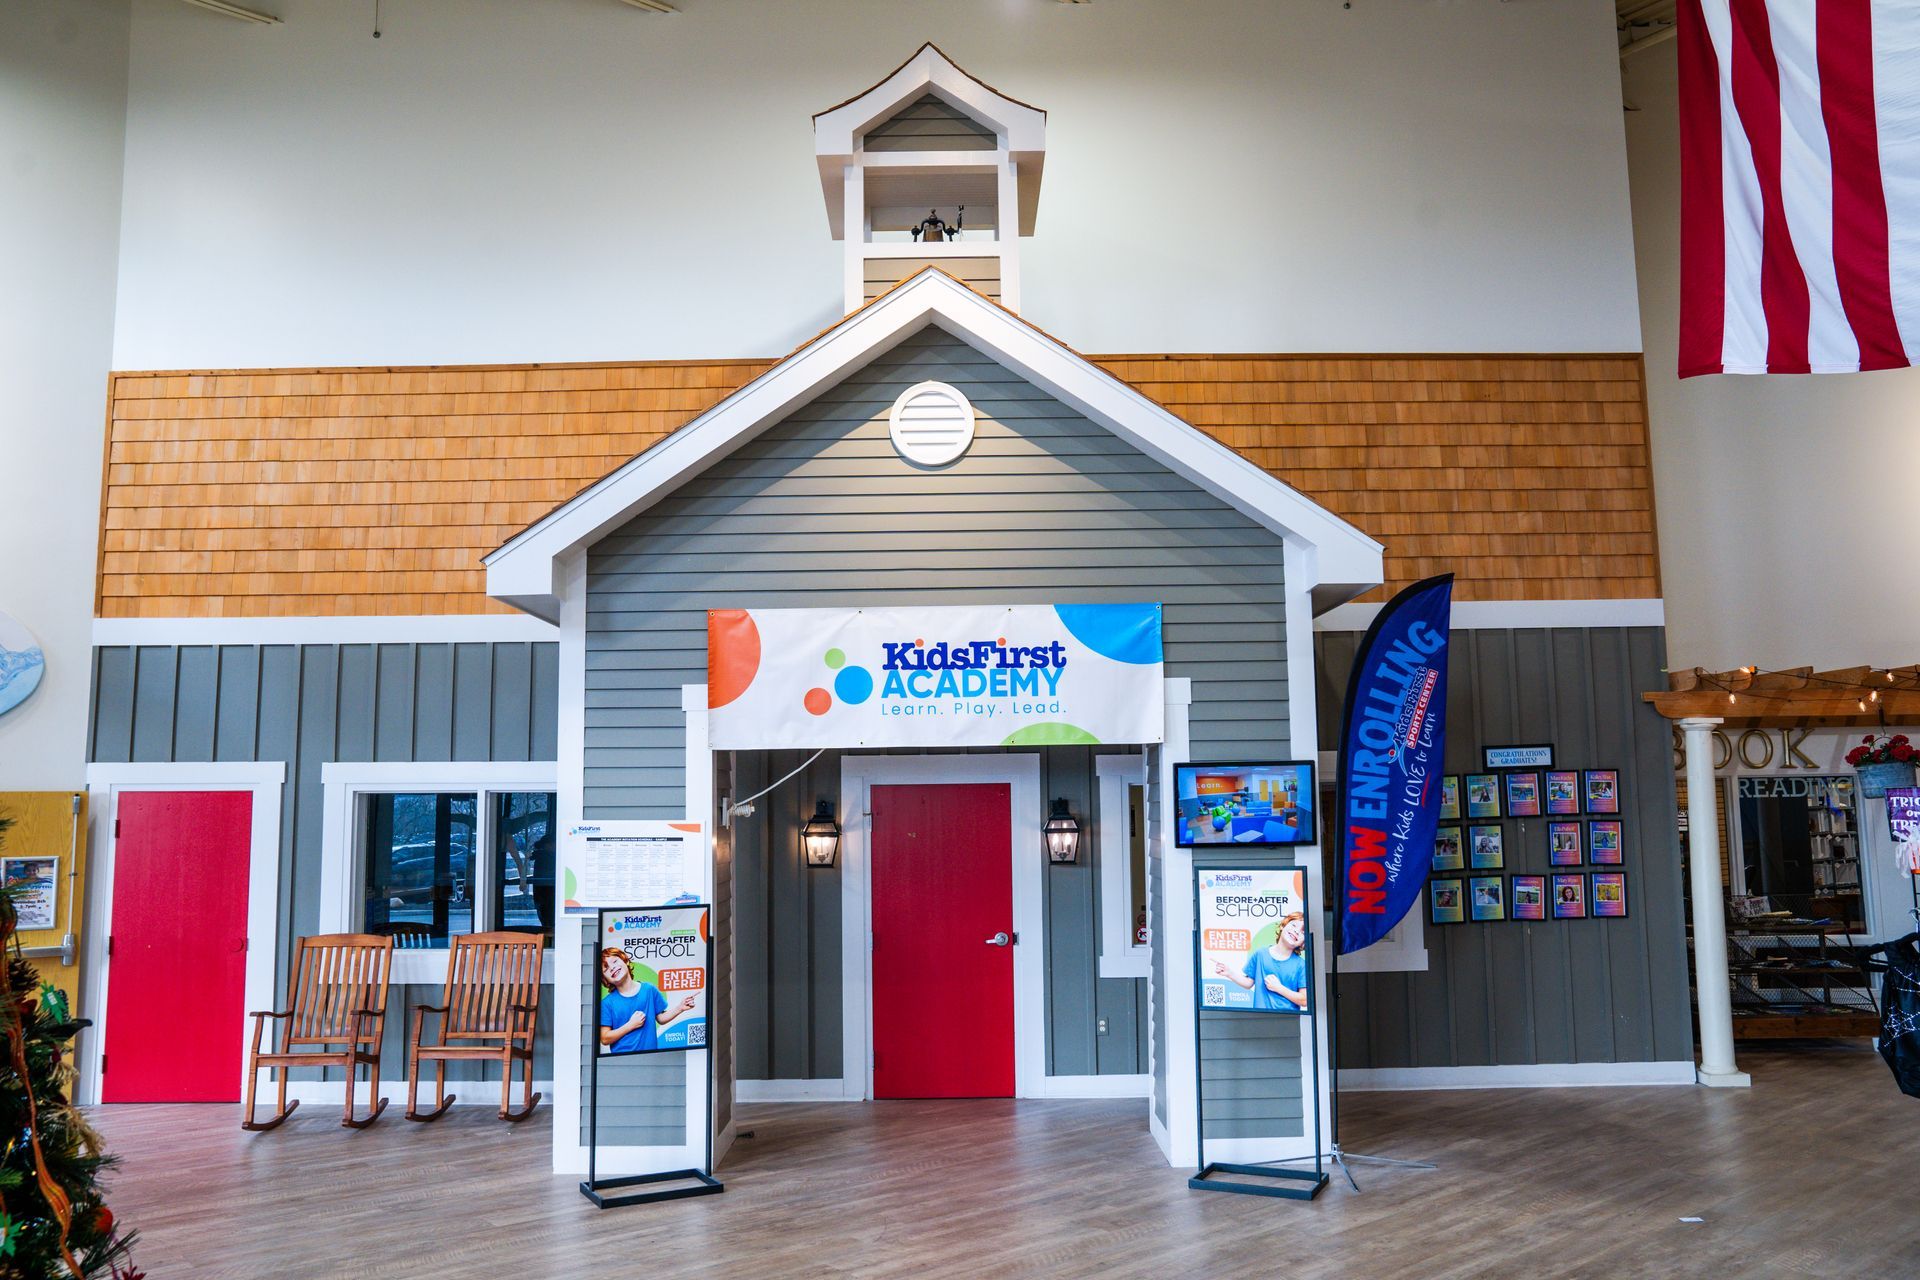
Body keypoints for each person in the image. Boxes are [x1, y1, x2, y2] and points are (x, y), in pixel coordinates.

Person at [599, 948, 697, 1053]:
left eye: (615, 961)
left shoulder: (649, 989)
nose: (612, 968)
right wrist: (630, 1025)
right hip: (622, 1060)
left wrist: (680, 1008)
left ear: (626, 960)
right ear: (605, 979)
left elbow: (661, 1018)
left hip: (650, 1057)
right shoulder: (607, 1003)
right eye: (606, 968)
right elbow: (604, 1038)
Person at [1211, 911, 1308, 1012]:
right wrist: (1229, 973)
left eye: (1303, 932)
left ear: (1303, 944)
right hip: (1259, 1019)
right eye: (1293, 925)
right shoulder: (1260, 954)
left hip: (1289, 1021)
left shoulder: (1301, 965)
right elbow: (1248, 983)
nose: (1296, 931)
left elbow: (1304, 1000)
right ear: (1282, 926)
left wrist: (1278, 988)